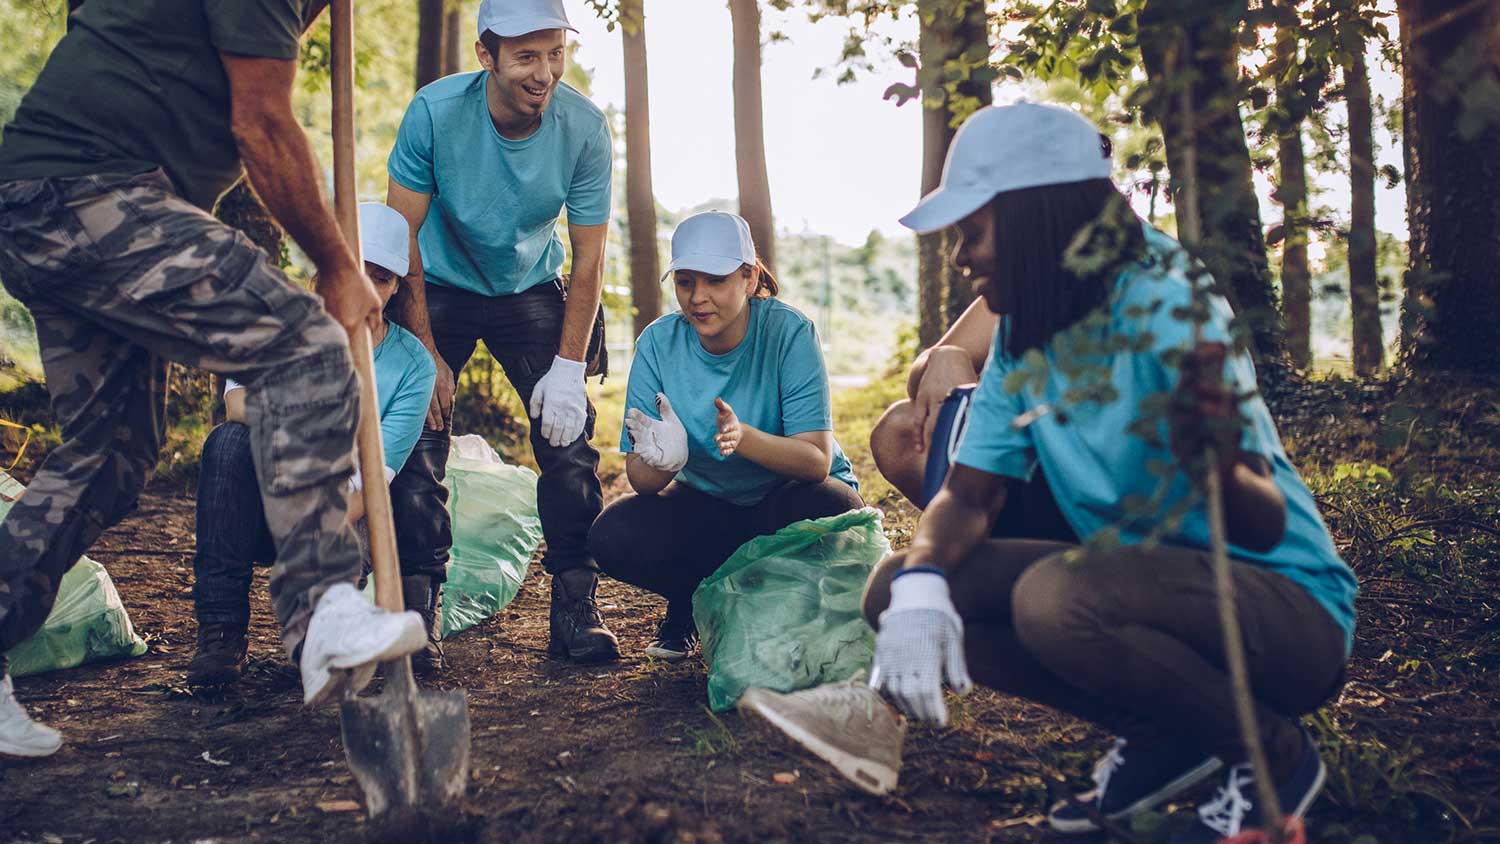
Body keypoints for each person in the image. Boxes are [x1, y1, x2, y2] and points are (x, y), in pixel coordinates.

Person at [743, 103, 1358, 844]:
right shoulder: (1026, 328)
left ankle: (1275, 760)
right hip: (1143, 584)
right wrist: (926, 581)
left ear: (1037, 215)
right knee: (895, 586)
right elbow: (969, 496)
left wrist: (1214, 464)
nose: (961, 257)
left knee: (1053, 598)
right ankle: (1173, 736)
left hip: (1283, 614)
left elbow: (1261, 521)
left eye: (973, 231)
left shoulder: (1167, 299)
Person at [0, 1, 428, 758]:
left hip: (48, 198)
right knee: (305, 345)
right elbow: (260, 125)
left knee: (113, 454)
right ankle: (322, 607)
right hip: (87, 187)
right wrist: (335, 266)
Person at [383, 0, 619, 665]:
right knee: (418, 431)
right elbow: (400, 240)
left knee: (568, 440)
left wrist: (570, 367)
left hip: (529, 288)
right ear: (486, 56)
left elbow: (590, 256)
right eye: (525, 56)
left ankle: (576, 603)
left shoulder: (584, 128)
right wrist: (423, 353)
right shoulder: (434, 114)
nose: (543, 72)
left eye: (555, 54)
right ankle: (417, 609)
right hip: (439, 284)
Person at [588, 211, 864, 661]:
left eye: (715, 281)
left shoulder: (789, 333)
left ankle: (768, 606)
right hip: (709, 506)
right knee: (612, 533)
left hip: (785, 499)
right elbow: (640, 480)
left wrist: (744, 438)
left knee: (834, 509)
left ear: (749, 277)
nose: (698, 298)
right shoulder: (658, 344)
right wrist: (665, 461)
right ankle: (694, 602)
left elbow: (815, 460)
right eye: (685, 282)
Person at [188, 203, 437, 687]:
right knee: (228, 444)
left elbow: (373, 484)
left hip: (342, 518)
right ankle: (220, 632)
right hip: (264, 501)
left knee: (316, 659)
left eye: (381, 277)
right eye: (353, 270)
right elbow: (238, 404)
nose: (364, 287)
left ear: (394, 288)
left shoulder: (412, 366)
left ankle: (321, 627)